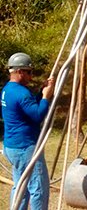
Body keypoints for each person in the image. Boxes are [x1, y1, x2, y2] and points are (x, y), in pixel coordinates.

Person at [1, 52, 55, 210]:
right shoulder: (21, 93)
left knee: (20, 187)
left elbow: (28, 109)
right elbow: (37, 115)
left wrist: (41, 93)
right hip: (25, 148)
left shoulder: (8, 90)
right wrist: (46, 97)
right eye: (29, 72)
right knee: (38, 188)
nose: (31, 76)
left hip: (12, 146)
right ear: (19, 71)